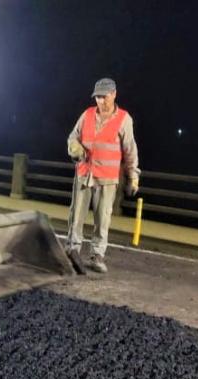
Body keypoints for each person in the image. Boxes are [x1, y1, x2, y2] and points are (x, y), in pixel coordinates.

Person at [66, 77, 140, 273]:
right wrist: (74, 146)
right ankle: (72, 250)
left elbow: (130, 150)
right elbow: (73, 136)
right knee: (76, 215)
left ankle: (96, 255)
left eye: (104, 97)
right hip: (84, 173)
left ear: (114, 94)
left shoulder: (124, 119)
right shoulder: (87, 114)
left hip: (107, 178)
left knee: (103, 218)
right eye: (97, 97)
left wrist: (133, 176)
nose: (100, 101)